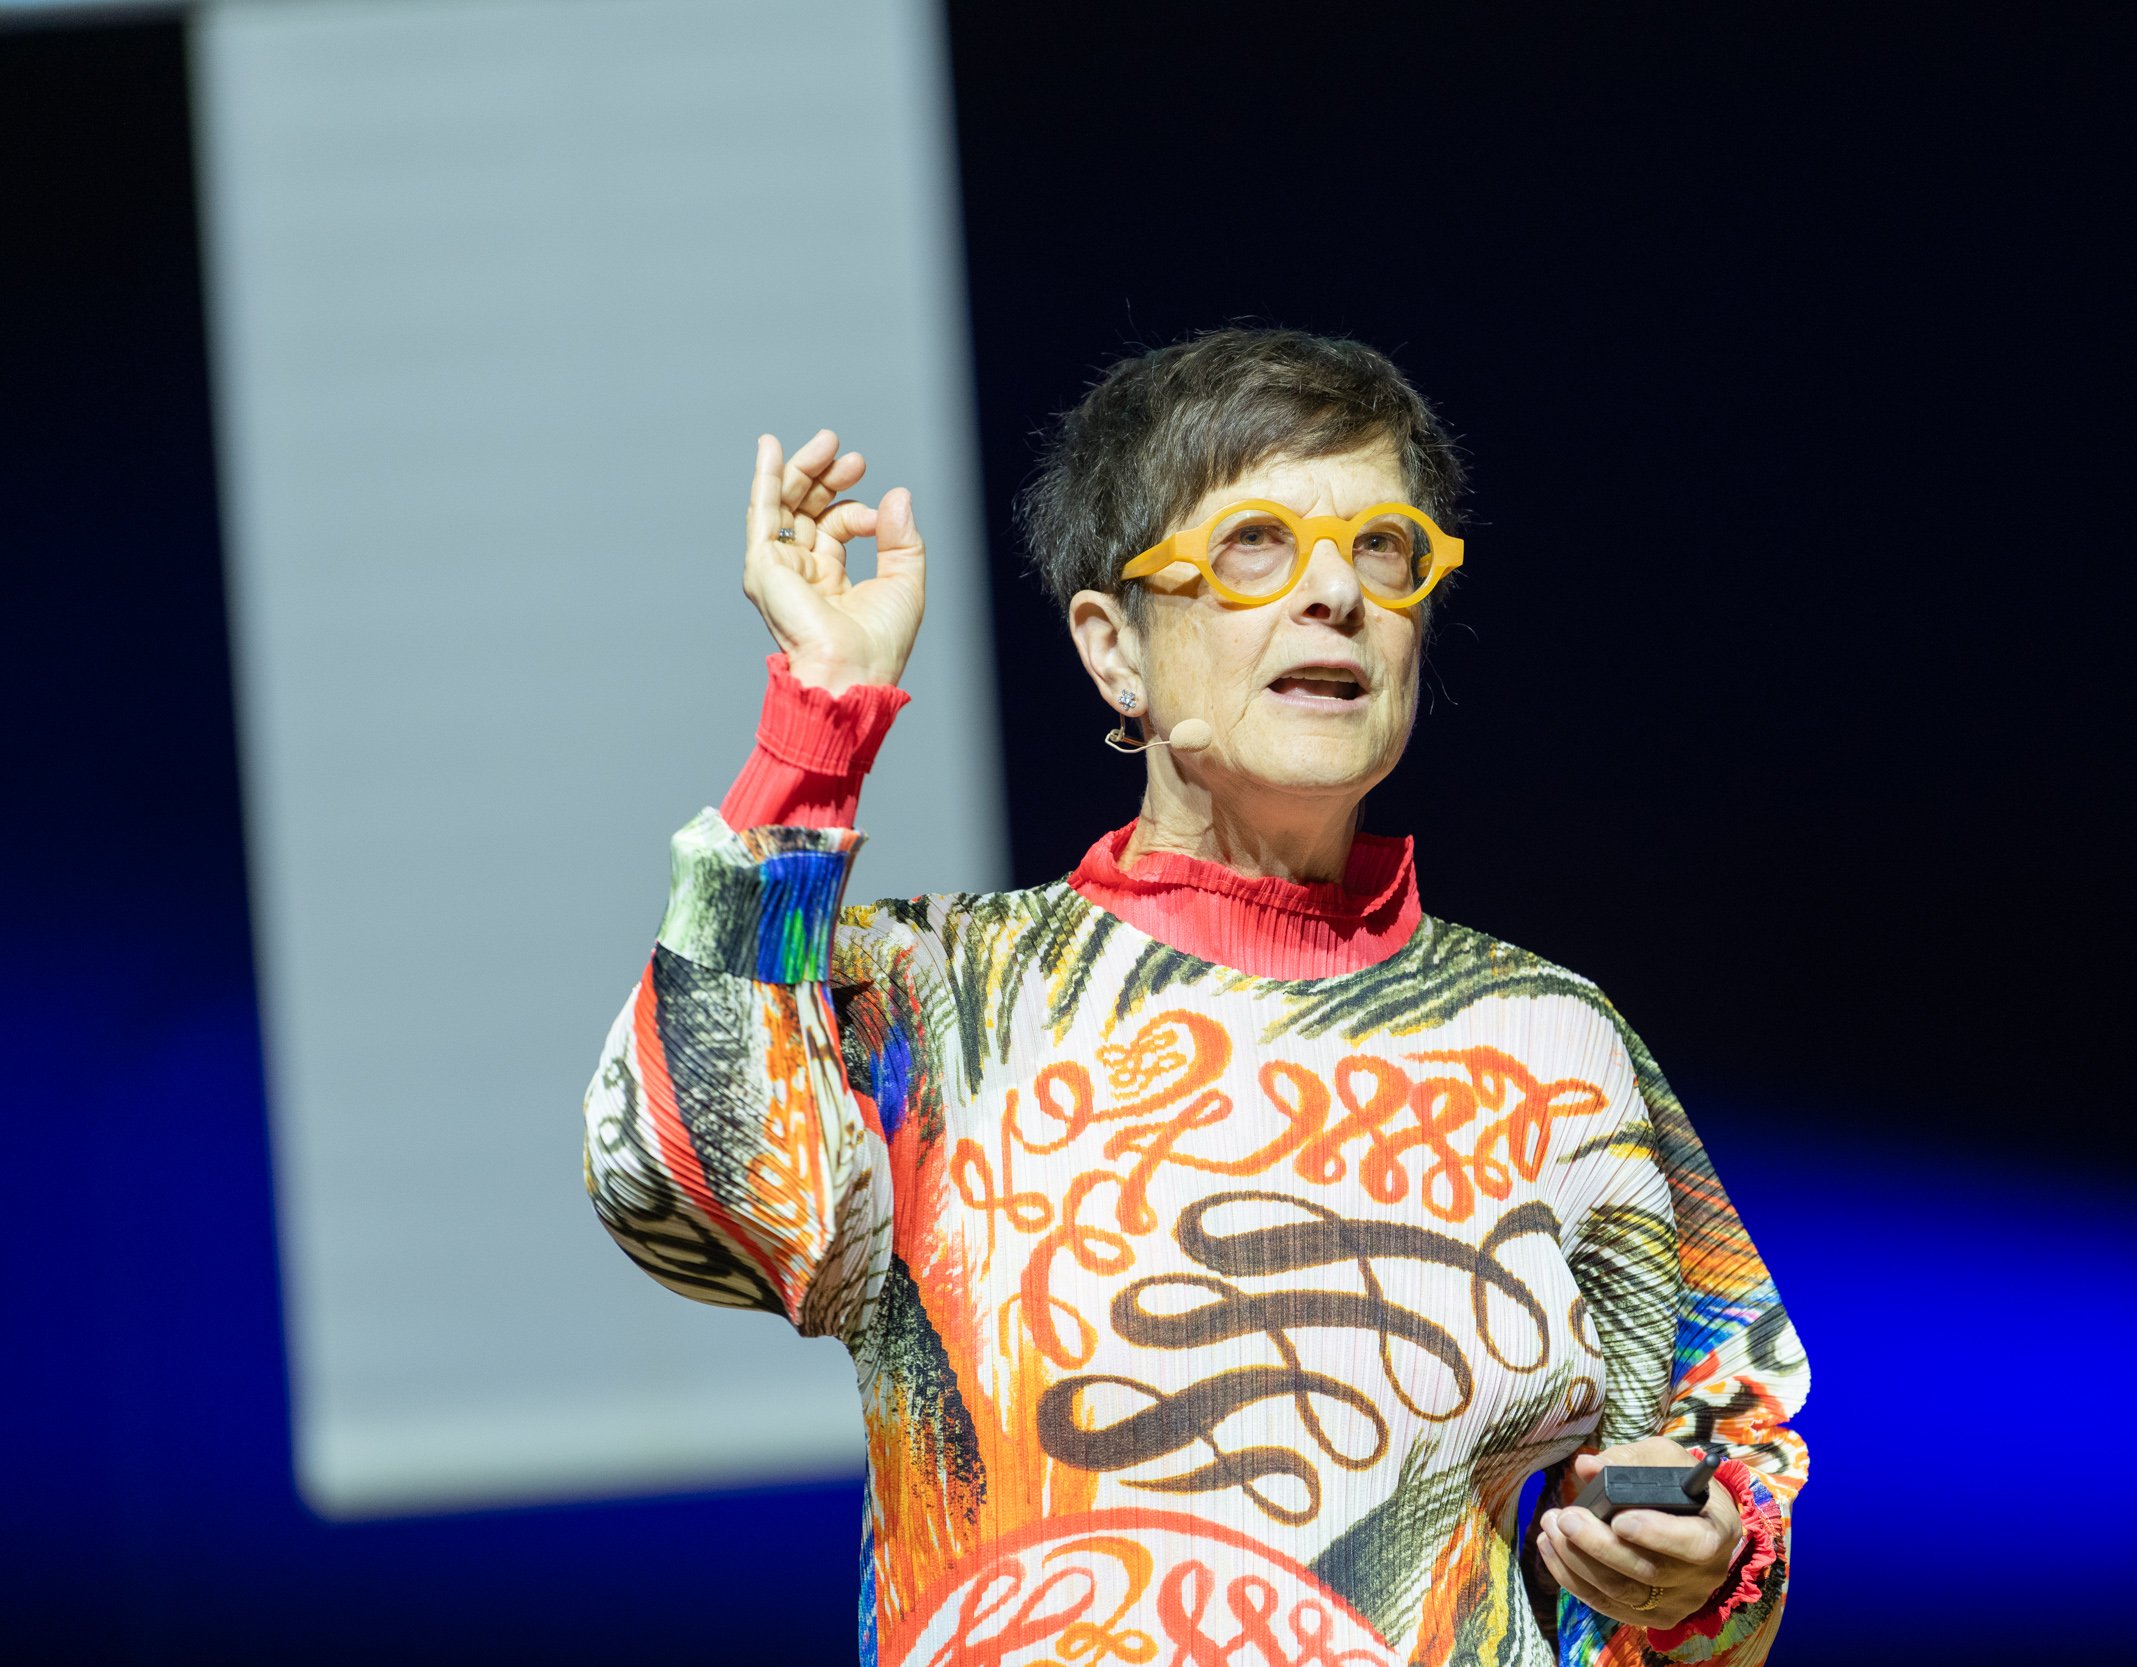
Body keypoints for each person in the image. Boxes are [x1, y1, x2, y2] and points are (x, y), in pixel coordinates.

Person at [581, 329, 1809, 1667]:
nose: (1336, 593)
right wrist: (818, 724)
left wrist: (1700, 1568)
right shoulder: (936, 997)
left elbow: (1711, 1436)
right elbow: (681, 1185)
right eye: (1255, 547)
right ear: (1116, 652)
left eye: (1386, 549)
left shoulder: (1548, 1041)